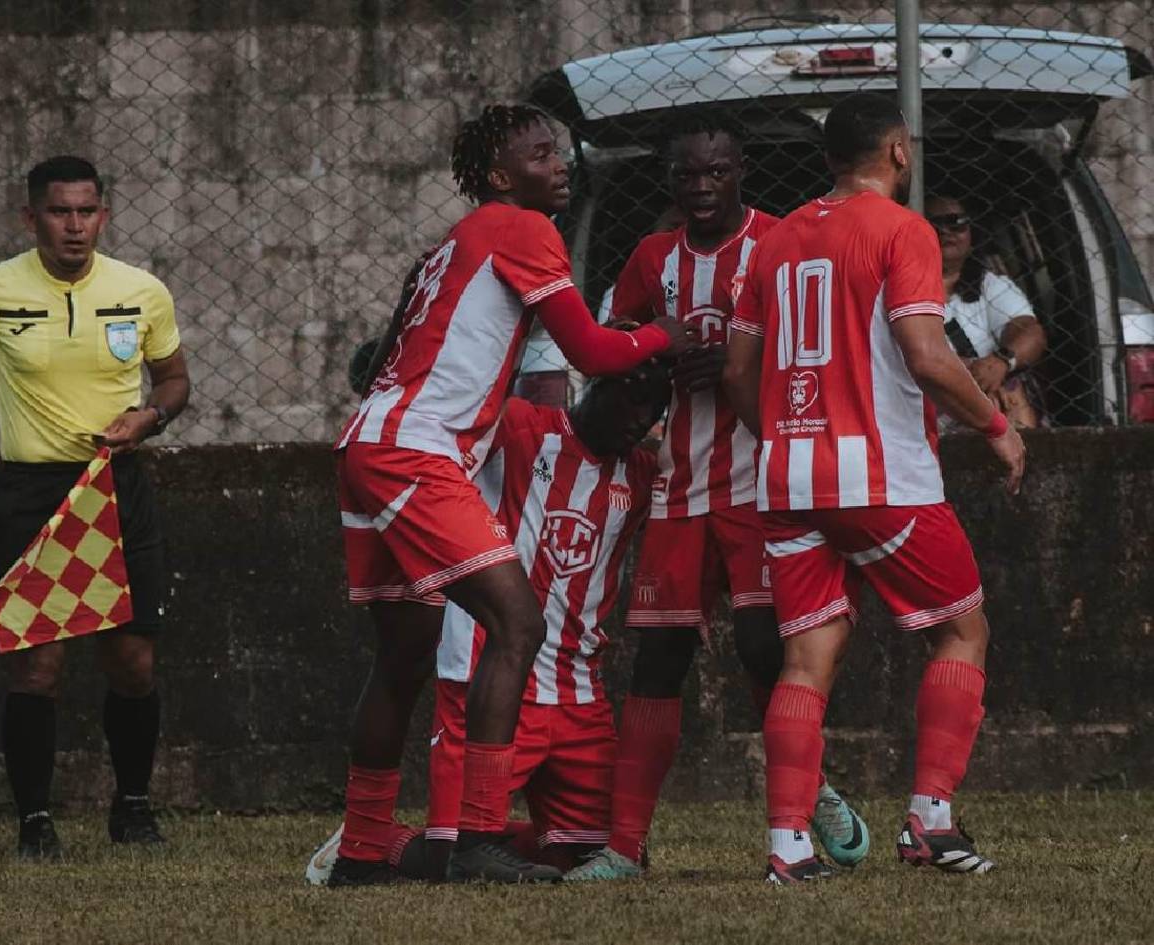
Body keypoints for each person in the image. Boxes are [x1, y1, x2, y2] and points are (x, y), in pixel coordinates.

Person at [329, 104, 693, 886]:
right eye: (538, 154)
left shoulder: (446, 247)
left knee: (402, 652)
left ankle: (362, 845)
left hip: (368, 438)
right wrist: (666, 333)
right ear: (500, 177)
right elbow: (591, 348)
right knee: (516, 618)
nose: (558, 164)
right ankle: (480, 838)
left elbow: (392, 350)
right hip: (416, 449)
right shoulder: (523, 227)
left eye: (558, 151)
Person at [724, 93, 1025, 884]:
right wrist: (996, 428)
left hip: (786, 475)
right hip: (880, 474)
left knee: (807, 655)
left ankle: (788, 846)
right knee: (962, 629)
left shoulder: (777, 238)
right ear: (898, 151)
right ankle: (929, 820)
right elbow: (925, 355)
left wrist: (788, 442)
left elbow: (736, 371)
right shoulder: (902, 230)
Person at [566, 121, 868, 883]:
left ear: (741, 173)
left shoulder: (780, 242)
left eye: (716, 172)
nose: (700, 187)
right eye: (686, 175)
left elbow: (813, 345)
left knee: (769, 653)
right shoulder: (652, 258)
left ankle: (805, 806)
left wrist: (742, 360)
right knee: (658, 661)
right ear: (671, 181)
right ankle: (625, 848)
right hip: (678, 490)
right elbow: (618, 342)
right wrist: (657, 353)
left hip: (762, 486)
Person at [308, 364, 670, 884]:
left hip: (578, 693)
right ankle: (375, 841)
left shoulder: (640, 474)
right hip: (489, 678)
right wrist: (388, 362)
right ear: (597, 380)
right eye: (633, 399)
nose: (642, 419)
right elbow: (439, 405)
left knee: (589, 858)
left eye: (655, 409)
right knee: (451, 865)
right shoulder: (519, 425)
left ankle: (487, 841)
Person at [0, 155, 190, 859]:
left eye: (86, 211)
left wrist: (148, 418)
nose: (73, 225)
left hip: (117, 484)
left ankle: (133, 808)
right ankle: (35, 822)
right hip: (28, 495)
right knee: (37, 668)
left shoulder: (142, 291)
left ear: (103, 215)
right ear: (30, 217)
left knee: (132, 663)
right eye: (58, 211)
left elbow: (173, 379)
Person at [925, 194, 1049, 428]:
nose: (945, 231)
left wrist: (1001, 363)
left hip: (985, 405)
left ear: (973, 233)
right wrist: (962, 372)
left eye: (956, 222)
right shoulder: (892, 291)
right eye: (934, 224)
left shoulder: (991, 286)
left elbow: (1030, 333)